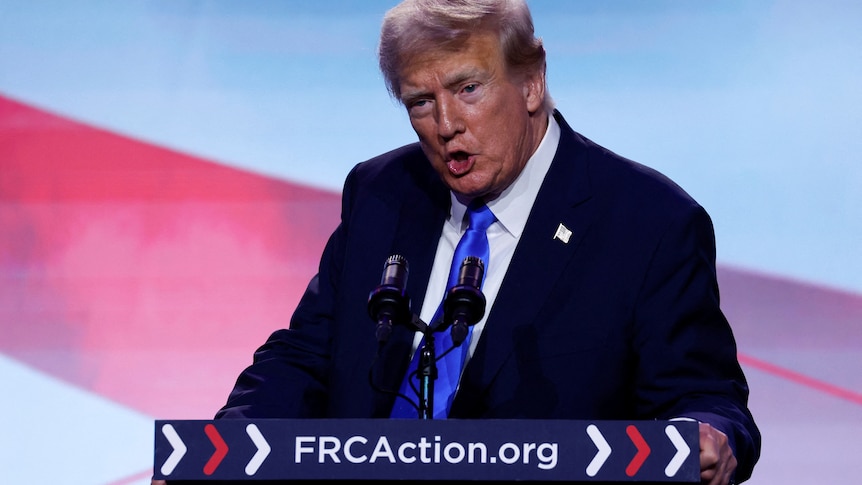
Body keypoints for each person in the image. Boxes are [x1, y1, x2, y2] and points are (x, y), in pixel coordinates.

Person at [160, 1, 760, 484]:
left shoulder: (647, 222)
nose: (445, 124)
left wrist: (708, 435)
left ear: (531, 81)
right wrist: (222, 453)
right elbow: (305, 357)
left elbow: (704, 397)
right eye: (421, 102)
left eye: (467, 89)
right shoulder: (382, 192)